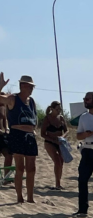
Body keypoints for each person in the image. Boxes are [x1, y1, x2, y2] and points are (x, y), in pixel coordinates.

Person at [0, 73, 38, 203]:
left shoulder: (31, 101)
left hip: (30, 135)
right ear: (22, 86)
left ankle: (31, 198)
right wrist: (0, 87)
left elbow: (35, 117)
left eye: (32, 87)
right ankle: (19, 197)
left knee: (32, 168)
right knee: (20, 168)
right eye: (29, 86)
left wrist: (33, 130)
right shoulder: (13, 98)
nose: (31, 89)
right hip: (17, 134)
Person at [41, 101, 68, 190]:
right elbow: (42, 134)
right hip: (50, 142)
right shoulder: (47, 119)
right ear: (52, 109)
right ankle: (57, 183)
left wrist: (62, 137)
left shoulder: (61, 118)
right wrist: (53, 140)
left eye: (60, 109)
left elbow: (66, 130)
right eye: (57, 109)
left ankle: (58, 182)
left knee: (61, 161)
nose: (59, 111)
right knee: (56, 160)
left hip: (60, 142)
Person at [0, 91, 12, 176]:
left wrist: (7, 128)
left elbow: (5, 119)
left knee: (8, 155)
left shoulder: (4, 107)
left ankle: (6, 177)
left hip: (2, 135)